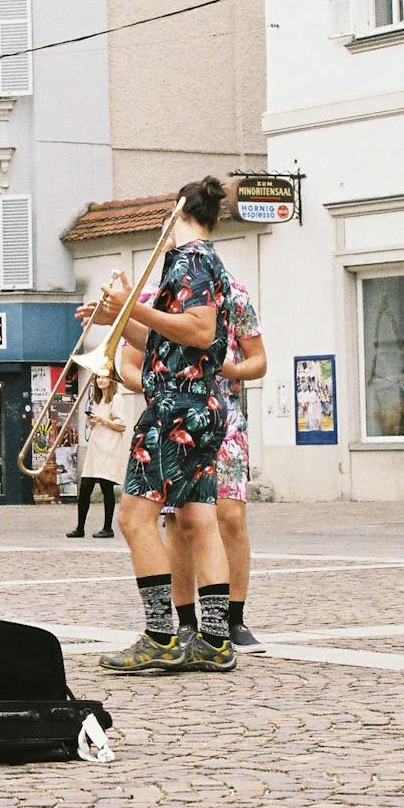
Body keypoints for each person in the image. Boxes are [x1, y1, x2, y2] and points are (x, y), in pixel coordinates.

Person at [90, 177, 238, 675]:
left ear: (176, 213)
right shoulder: (207, 260)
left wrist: (130, 306)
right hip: (201, 405)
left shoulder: (188, 259)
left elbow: (200, 329)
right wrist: (116, 321)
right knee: (197, 520)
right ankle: (214, 640)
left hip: (175, 408)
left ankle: (159, 636)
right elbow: (169, 341)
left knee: (134, 518)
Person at [166, 277, 269, 654]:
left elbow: (259, 361)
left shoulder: (235, 294)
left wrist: (230, 369)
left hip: (225, 420)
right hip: (176, 422)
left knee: (231, 518)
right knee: (179, 524)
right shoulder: (158, 295)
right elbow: (130, 362)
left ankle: (233, 619)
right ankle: (187, 622)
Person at [72, 382, 133, 540]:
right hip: (95, 447)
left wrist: (102, 420)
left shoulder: (116, 398)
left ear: (110, 381)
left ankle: (107, 528)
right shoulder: (97, 400)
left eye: (104, 377)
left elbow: (121, 425)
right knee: (85, 488)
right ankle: (80, 527)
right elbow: (96, 424)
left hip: (108, 448)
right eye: (98, 377)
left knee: (107, 487)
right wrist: (92, 422)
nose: (100, 380)